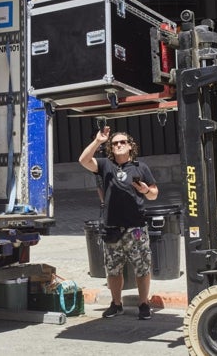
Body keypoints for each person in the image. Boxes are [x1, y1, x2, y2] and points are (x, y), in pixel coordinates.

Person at [79, 127, 158, 320]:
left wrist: (146, 190)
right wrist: (98, 140)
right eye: (115, 143)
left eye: (123, 142)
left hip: (136, 227)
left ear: (131, 146)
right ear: (111, 148)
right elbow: (83, 160)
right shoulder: (106, 165)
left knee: (142, 268)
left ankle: (143, 303)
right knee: (113, 269)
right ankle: (116, 304)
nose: (119, 145)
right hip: (112, 227)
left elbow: (155, 194)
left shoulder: (141, 167)